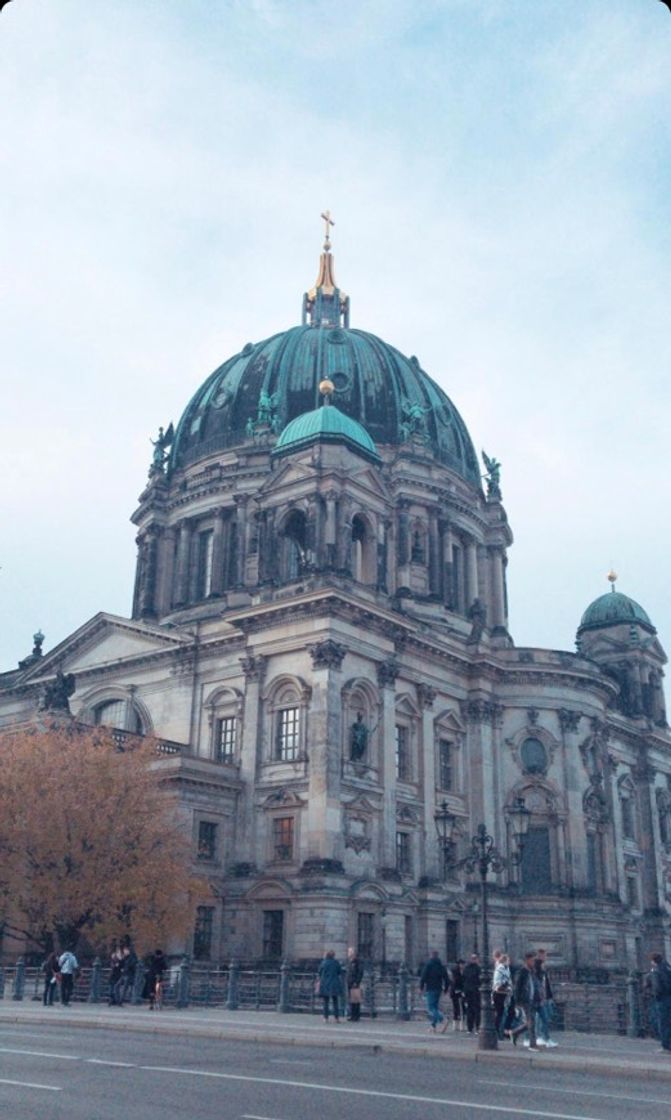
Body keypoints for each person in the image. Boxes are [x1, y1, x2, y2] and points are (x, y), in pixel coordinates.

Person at [511, 951, 540, 1049]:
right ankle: (533, 1044)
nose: (534, 963)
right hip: (525, 1000)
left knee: (530, 1022)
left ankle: (515, 1032)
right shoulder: (522, 972)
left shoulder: (532, 971)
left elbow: (535, 985)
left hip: (533, 999)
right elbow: (517, 987)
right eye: (532, 960)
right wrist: (517, 1001)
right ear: (527, 960)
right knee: (531, 1022)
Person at [419, 950, 449, 1033]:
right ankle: (433, 1026)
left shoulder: (429, 965)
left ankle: (443, 1019)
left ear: (431, 956)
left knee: (431, 1008)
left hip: (430, 988)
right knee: (435, 1007)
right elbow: (446, 978)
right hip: (438, 989)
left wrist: (421, 987)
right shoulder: (441, 965)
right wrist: (446, 989)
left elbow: (423, 977)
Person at [535, 948, 558, 1048]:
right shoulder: (538, 967)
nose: (546, 957)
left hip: (545, 997)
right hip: (542, 998)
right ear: (540, 955)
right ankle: (543, 1038)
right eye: (544, 955)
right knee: (543, 1018)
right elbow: (540, 984)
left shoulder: (542, 967)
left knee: (544, 1017)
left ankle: (542, 1037)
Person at [649, 951, 671, 1053]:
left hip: (662, 999)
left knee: (662, 1022)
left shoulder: (656, 970)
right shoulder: (668, 967)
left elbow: (657, 987)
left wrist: (656, 996)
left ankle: (665, 1046)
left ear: (653, 961)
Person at [318, 949, 343, 1022]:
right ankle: (336, 1018)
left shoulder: (324, 963)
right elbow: (339, 971)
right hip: (335, 983)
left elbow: (320, 972)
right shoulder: (336, 962)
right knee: (335, 1001)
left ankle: (325, 1018)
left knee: (326, 1001)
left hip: (325, 983)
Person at [492, 952, 512, 1039]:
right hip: (499, 994)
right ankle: (497, 1031)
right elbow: (497, 984)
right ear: (504, 961)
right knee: (500, 1013)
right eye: (508, 960)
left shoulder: (506, 969)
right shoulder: (500, 970)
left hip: (505, 994)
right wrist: (505, 985)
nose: (509, 962)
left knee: (506, 1013)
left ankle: (503, 1030)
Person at [462, 953, 481, 1034]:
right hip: (475, 991)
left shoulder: (466, 969)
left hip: (468, 991)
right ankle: (477, 1027)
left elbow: (464, 979)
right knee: (476, 1009)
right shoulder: (478, 969)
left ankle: (470, 1028)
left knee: (469, 1009)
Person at [345, 946, 364, 1022]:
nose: (348, 953)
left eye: (349, 952)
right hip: (350, 982)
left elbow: (360, 972)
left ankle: (356, 1016)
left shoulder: (357, 962)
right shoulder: (350, 961)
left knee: (356, 999)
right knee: (352, 1000)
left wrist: (357, 981)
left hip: (354, 983)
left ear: (353, 953)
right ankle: (353, 1015)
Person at [118, 942, 138, 1006]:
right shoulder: (126, 957)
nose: (124, 951)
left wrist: (126, 968)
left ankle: (120, 1001)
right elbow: (122, 963)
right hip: (124, 974)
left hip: (128, 974)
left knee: (124, 988)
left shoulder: (131, 957)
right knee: (117, 986)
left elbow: (132, 965)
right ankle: (118, 1000)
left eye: (125, 950)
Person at [448, 959, 465, 1031]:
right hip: (455, 991)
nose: (463, 966)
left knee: (460, 1008)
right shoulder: (455, 972)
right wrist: (457, 990)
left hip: (459, 991)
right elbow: (455, 982)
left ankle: (459, 1024)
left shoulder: (462, 972)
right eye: (462, 964)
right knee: (457, 1007)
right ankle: (457, 1024)